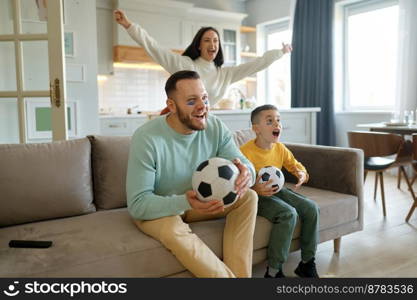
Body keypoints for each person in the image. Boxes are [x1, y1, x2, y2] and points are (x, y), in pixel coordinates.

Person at [126, 70, 258, 278]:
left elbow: (245, 165)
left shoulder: (215, 126)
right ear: (171, 105)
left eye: (204, 98)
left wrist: (246, 175)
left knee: (249, 196)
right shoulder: (146, 138)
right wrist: (185, 202)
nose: (202, 107)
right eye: (191, 101)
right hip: (161, 209)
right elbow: (138, 205)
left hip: (200, 203)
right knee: (171, 227)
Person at [114, 9, 292, 107]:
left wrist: (280, 52)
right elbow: (153, 47)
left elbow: (257, 64)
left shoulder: (225, 75)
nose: (212, 44)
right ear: (199, 45)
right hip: (183, 124)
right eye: (207, 40)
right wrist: (129, 25)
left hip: (205, 123)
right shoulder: (185, 65)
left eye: (215, 40)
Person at [240, 104, 320, 278]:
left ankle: (307, 263)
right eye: (270, 121)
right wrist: (254, 188)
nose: (277, 124)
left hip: (278, 190)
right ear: (256, 129)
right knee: (288, 214)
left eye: (278, 120)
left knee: (311, 208)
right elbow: (236, 182)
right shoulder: (244, 152)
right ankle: (274, 271)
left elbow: (295, 165)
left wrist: (301, 173)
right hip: (255, 196)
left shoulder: (280, 148)